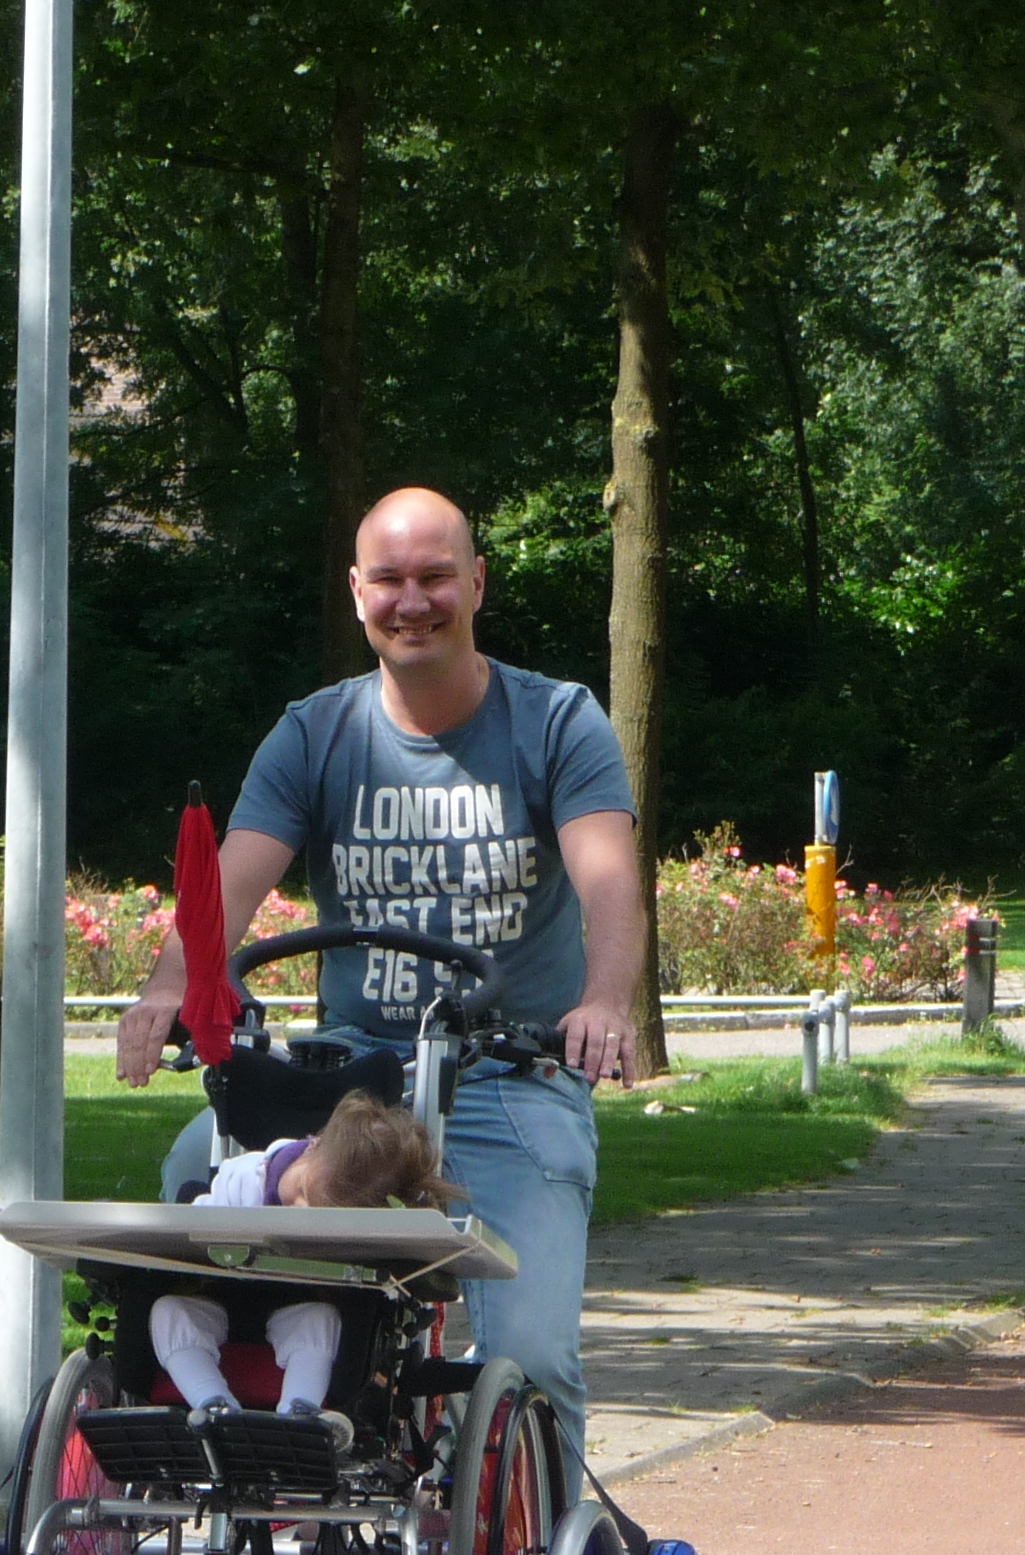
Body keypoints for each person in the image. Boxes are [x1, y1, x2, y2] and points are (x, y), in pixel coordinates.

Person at [117, 485, 643, 1482]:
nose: (414, 601)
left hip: (505, 1075)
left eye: (436, 577)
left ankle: (540, 1554)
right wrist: (168, 988)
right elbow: (227, 890)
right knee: (195, 1166)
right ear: (357, 592)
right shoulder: (316, 733)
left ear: (476, 584)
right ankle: (229, 1461)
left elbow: (610, 879)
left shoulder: (556, 722)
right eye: (390, 580)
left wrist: (605, 1000)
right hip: (350, 1084)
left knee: (531, 1357)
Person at [150, 1091, 455, 1427]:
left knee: (320, 1321)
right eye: (302, 1191)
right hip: (218, 1296)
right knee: (168, 1312)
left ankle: (300, 1414)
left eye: (316, 1211)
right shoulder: (241, 1180)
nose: (299, 1211)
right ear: (311, 1147)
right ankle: (213, 1406)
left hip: (295, 1304)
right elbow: (192, 1231)